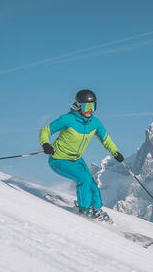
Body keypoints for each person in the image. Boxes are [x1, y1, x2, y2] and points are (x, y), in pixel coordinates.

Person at [39, 89, 124, 221]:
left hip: (76, 159)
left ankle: (96, 210)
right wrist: (46, 144)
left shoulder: (94, 123)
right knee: (83, 179)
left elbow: (106, 140)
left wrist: (116, 152)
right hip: (59, 159)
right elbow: (45, 131)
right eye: (87, 107)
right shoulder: (67, 119)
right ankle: (84, 210)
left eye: (93, 107)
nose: (90, 110)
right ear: (78, 106)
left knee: (92, 183)